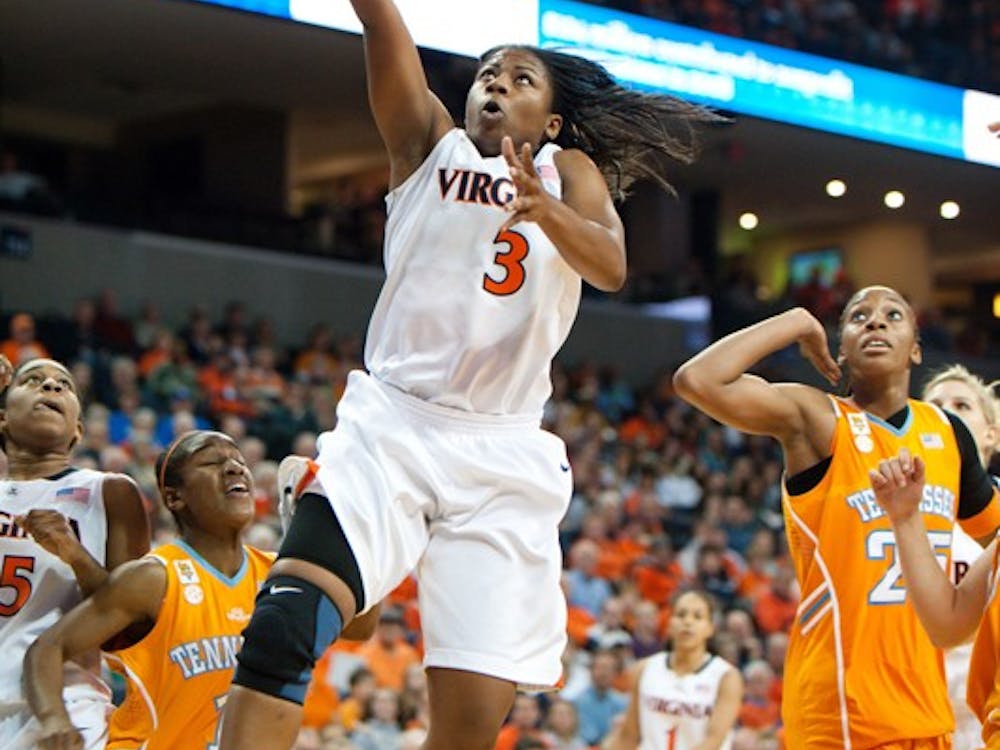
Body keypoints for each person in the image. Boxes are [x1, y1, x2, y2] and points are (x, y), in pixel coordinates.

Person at [219, 1, 719, 748]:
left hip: (500, 454)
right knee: (281, 629)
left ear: (551, 121)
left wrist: (544, 208)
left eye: (521, 80)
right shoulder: (429, 145)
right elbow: (382, 28)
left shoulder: (568, 173)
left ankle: (351, 567)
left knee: (468, 728)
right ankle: (338, 550)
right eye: (487, 75)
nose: (496, 85)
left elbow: (611, 266)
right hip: (392, 426)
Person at [672, 286, 1000, 748]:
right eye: (859, 317)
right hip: (841, 707)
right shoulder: (817, 417)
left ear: (916, 349)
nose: (876, 322)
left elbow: (994, 542)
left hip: (928, 708)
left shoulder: (947, 432)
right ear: (841, 348)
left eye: (893, 315)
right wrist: (799, 323)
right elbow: (698, 380)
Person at [23, 430, 273, 749]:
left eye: (239, 460)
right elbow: (46, 648)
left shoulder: (278, 575)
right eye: (212, 462)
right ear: (174, 497)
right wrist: (53, 717)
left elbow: (359, 624)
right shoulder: (154, 578)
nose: (234, 468)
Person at [0, 356, 149, 750]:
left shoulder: (109, 491)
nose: (51, 387)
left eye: (63, 385)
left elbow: (129, 629)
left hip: (65, 702)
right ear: (2, 417)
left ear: (77, 431)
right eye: (32, 380)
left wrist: (75, 555)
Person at [923, 365, 999, 749]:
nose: (946, 414)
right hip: (909, 702)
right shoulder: (885, 506)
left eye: (961, 405)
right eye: (934, 405)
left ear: (992, 434)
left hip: (984, 710)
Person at [604, 590, 742, 750]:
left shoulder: (726, 676)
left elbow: (714, 740)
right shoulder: (645, 668)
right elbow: (629, 735)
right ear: (669, 624)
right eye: (681, 615)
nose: (687, 622)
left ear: (710, 628)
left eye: (698, 616)